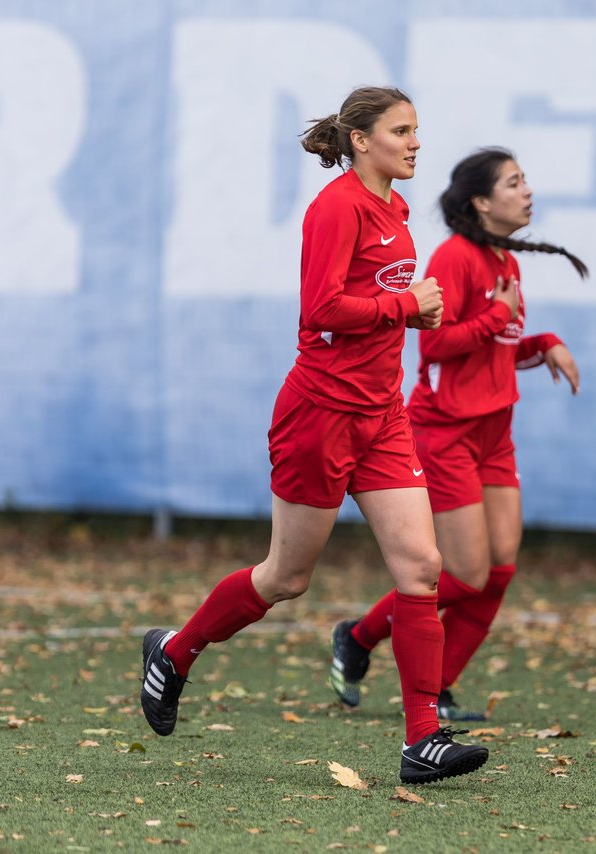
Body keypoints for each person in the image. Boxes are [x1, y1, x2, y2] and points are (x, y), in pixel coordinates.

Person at [140, 86, 488, 785]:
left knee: (422, 568)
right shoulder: (338, 207)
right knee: (286, 578)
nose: (415, 142)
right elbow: (322, 308)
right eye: (400, 130)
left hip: (381, 417)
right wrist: (404, 304)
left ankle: (422, 739)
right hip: (320, 414)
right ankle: (174, 653)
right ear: (360, 140)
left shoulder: (395, 207)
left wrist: (408, 318)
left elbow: (373, 308)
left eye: (418, 129)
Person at [328, 147, 585, 720]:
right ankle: (360, 636)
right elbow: (437, 345)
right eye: (515, 183)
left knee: (499, 571)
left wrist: (541, 344)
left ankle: (437, 687)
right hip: (445, 433)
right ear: (482, 202)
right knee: (465, 574)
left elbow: (490, 351)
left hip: (496, 433)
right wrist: (497, 317)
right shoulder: (455, 257)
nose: (527, 192)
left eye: (525, 180)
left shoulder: (505, 262)